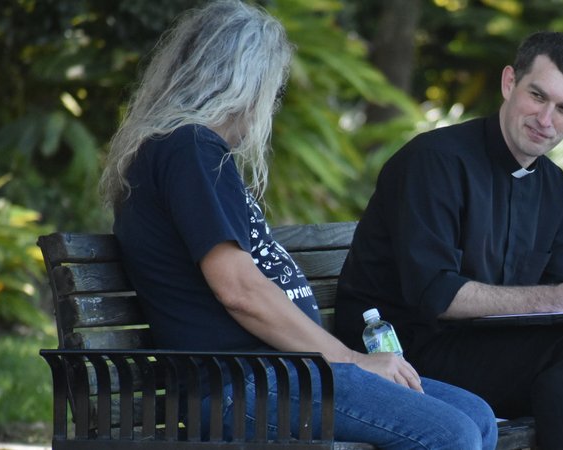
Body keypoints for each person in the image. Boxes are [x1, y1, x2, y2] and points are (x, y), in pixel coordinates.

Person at [99, 1, 498, 448]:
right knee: (451, 433)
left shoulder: (185, 151)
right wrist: (348, 361)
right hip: (237, 384)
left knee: (475, 415)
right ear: (246, 81)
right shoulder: (189, 149)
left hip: (280, 375)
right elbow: (240, 290)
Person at [334, 31, 563, 450]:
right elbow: (435, 295)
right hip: (406, 352)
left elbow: (559, 285)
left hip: (498, 351)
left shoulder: (552, 184)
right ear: (508, 83)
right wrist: (558, 304)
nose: (545, 119)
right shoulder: (434, 162)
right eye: (537, 96)